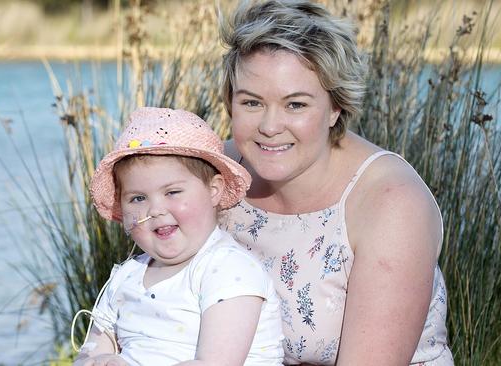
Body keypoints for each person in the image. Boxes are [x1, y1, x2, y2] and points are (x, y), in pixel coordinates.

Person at [218, 1, 454, 365]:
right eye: (251, 103)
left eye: (295, 105)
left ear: (335, 107)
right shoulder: (214, 173)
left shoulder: (391, 202)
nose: (269, 125)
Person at [75, 107, 284, 366]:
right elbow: (90, 350)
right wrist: (100, 360)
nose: (155, 210)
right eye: (138, 198)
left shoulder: (228, 269)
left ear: (213, 191)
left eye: (172, 192)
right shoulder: (125, 277)